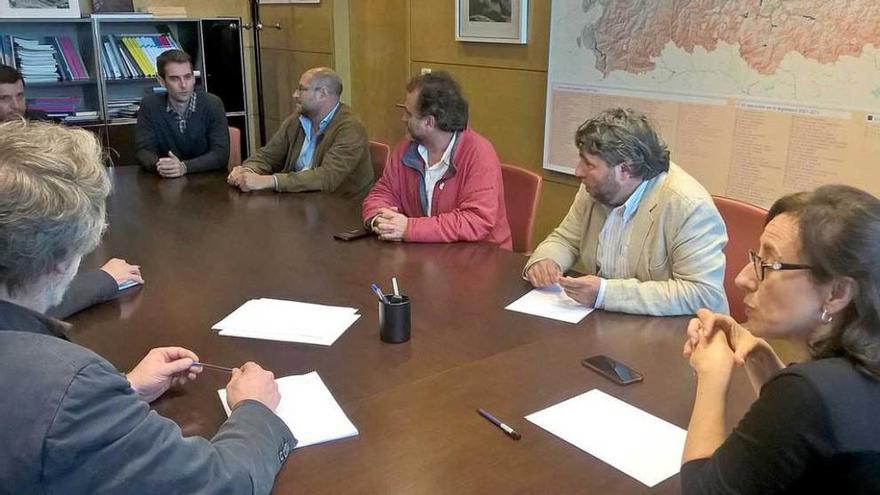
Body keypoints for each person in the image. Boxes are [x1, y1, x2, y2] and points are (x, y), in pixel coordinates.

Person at [0, 120, 295, 494]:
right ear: (63, 261)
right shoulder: (68, 386)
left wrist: (125, 388)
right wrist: (255, 410)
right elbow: (222, 485)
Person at [681, 185, 880, 494]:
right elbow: (814, 438)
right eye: (754, 257)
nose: (743, 278)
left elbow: (701, 491)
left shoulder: (808, 393)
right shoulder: (849, 376)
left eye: (768, 265)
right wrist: (767, 367)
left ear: (836, 293)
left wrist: (711, 377)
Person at [523, 108, 727, 316]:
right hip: (613, 324)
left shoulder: (689, 206)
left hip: (679, 336)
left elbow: (704, 294)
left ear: (625, 170)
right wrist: (546, 260)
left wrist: (606, 294)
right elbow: (566, 239)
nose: (578, 171)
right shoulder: (595, 189)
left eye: (588, 164)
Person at [1, 65, 142, 317]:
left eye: (19, 96)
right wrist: (103, 280)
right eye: (4, 98)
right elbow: (23, 301)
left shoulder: (39, 125)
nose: (15, 106)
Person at [361, 71, 512, 249]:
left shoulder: (479, 154)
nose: (403, 119)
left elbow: (476, 221)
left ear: (429, 122)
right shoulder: (405, 149)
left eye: (408, 114)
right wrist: (379, 220)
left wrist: (409, 228)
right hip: (428, 256)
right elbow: (382, 193)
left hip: (480, 261)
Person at [227, 67, 373, 197]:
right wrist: (247, 172)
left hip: (340, 209)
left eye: (302, 89)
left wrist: (271, 181)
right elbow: (267, 156)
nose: (295, 94)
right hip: (299, 202)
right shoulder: (296, 120)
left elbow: (327, 178)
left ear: (322, 93)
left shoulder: (351, 128)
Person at [135, 49, 230, 178]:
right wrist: (164, 166)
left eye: (188, 77)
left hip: (207, 182)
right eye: (175, 79)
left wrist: (184, 167)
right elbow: (143, 150)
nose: (184, 85)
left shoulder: (213, 104)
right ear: (161, 81)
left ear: (193, 78)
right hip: (165, 182)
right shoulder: (149, 105)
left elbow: (221, 154)